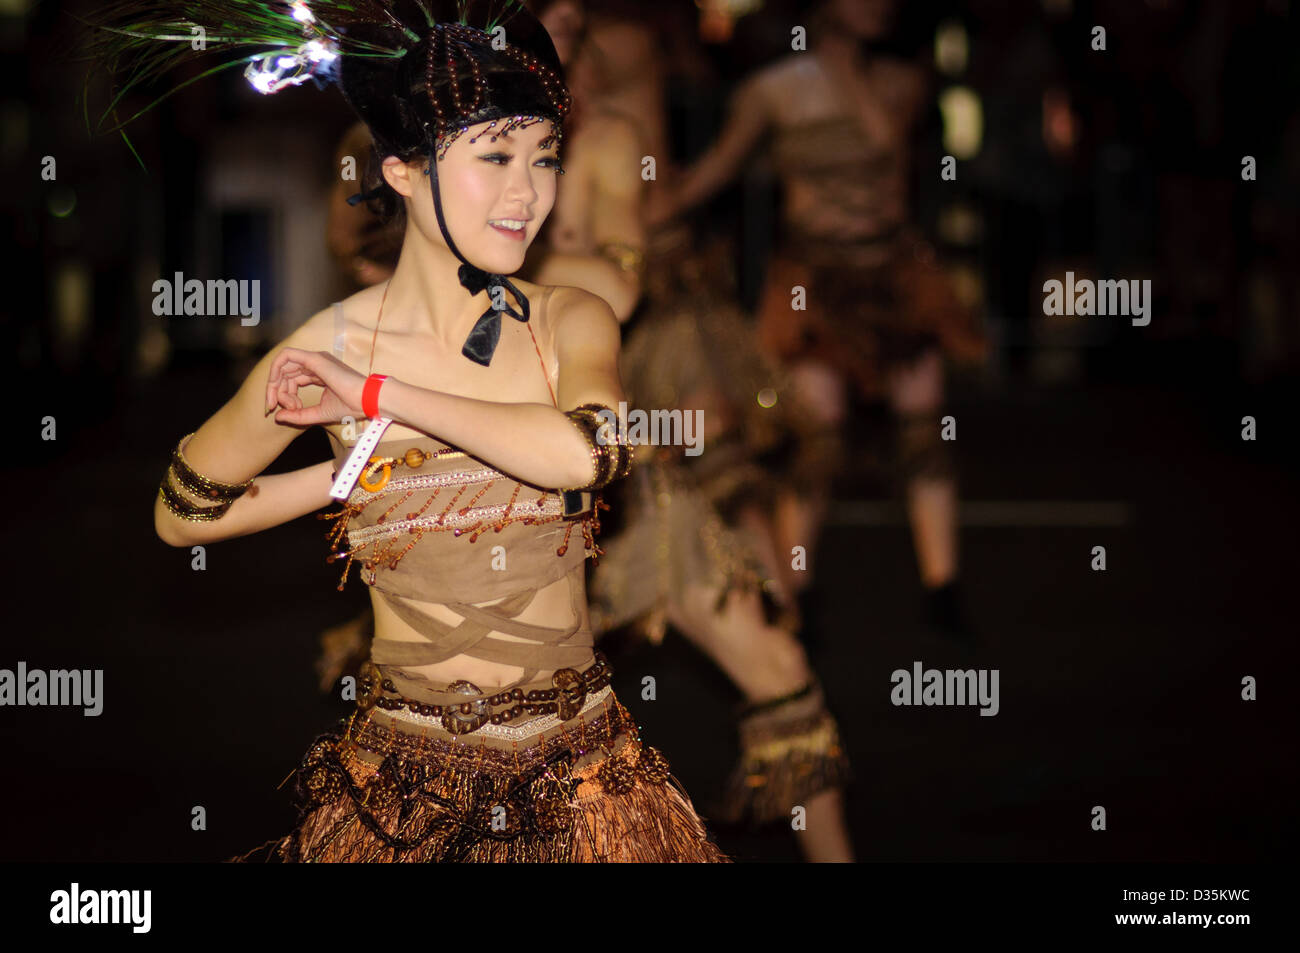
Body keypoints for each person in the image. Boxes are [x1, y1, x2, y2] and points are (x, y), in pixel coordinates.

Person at [104, 0, 727, 862]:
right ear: (401, 171)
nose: (529, 192)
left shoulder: (566, 317)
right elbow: (184, 510)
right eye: (497, 156)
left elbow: (589, 451)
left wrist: (377, 399)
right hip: (399, 796)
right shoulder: (328, 343)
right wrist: (360, 475)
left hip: (589, 781)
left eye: (545, 156)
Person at [648, 0, 985, 637]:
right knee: (817, 436)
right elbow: (717, 170)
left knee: (923, 428)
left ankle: (944, 587)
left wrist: (844, 71)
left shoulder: (902, 84)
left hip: (893, 273)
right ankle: (797, 592)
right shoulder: (771, 92)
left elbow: (884, 144)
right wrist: (643, 217)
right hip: (814, 281)